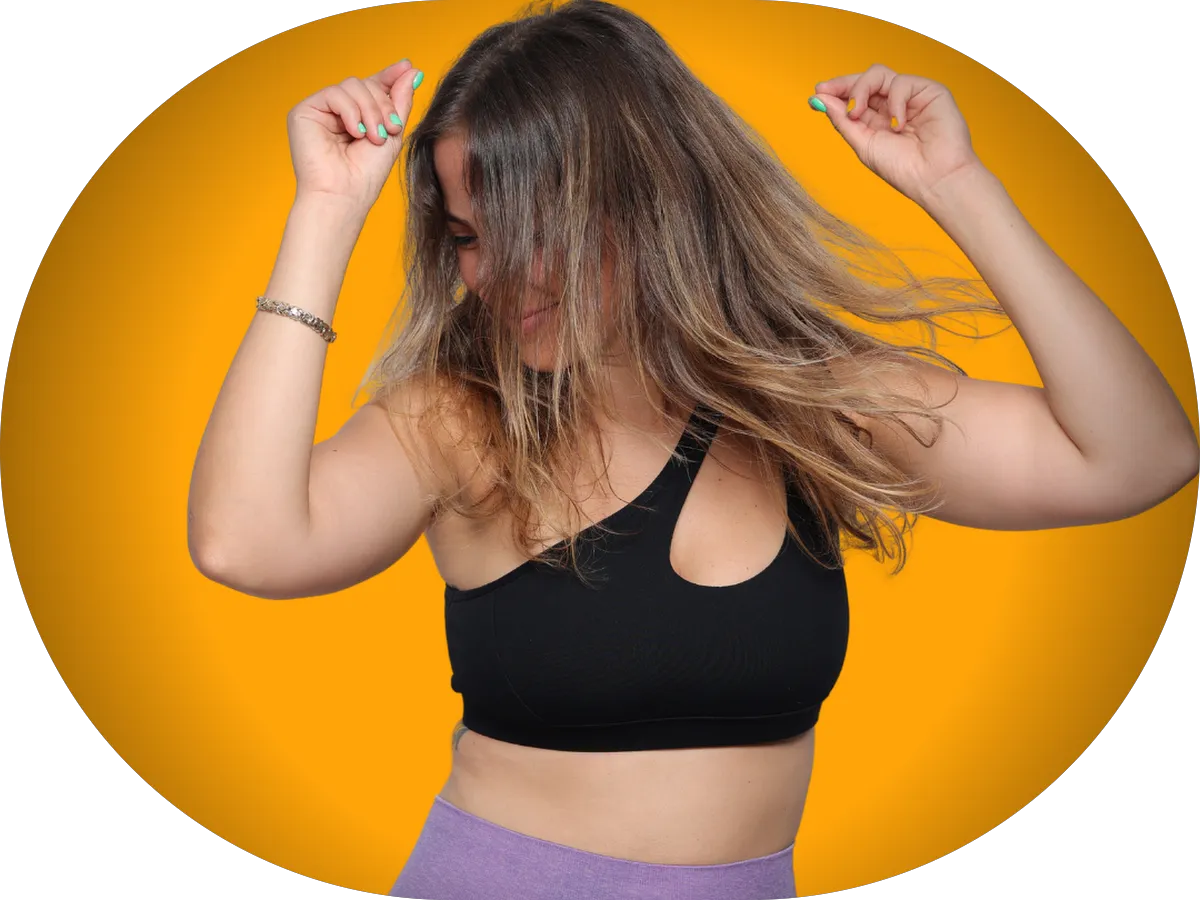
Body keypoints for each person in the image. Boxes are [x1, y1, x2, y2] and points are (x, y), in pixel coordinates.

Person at [186, 2, 1198, 898]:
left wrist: (957, 184)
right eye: (468, 237)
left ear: (651, 200)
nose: (497, 275)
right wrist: (325, 214)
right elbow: (246, 544)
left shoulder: (807, 401)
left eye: (537, 228)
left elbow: (1137, 457)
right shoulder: (462, 419)